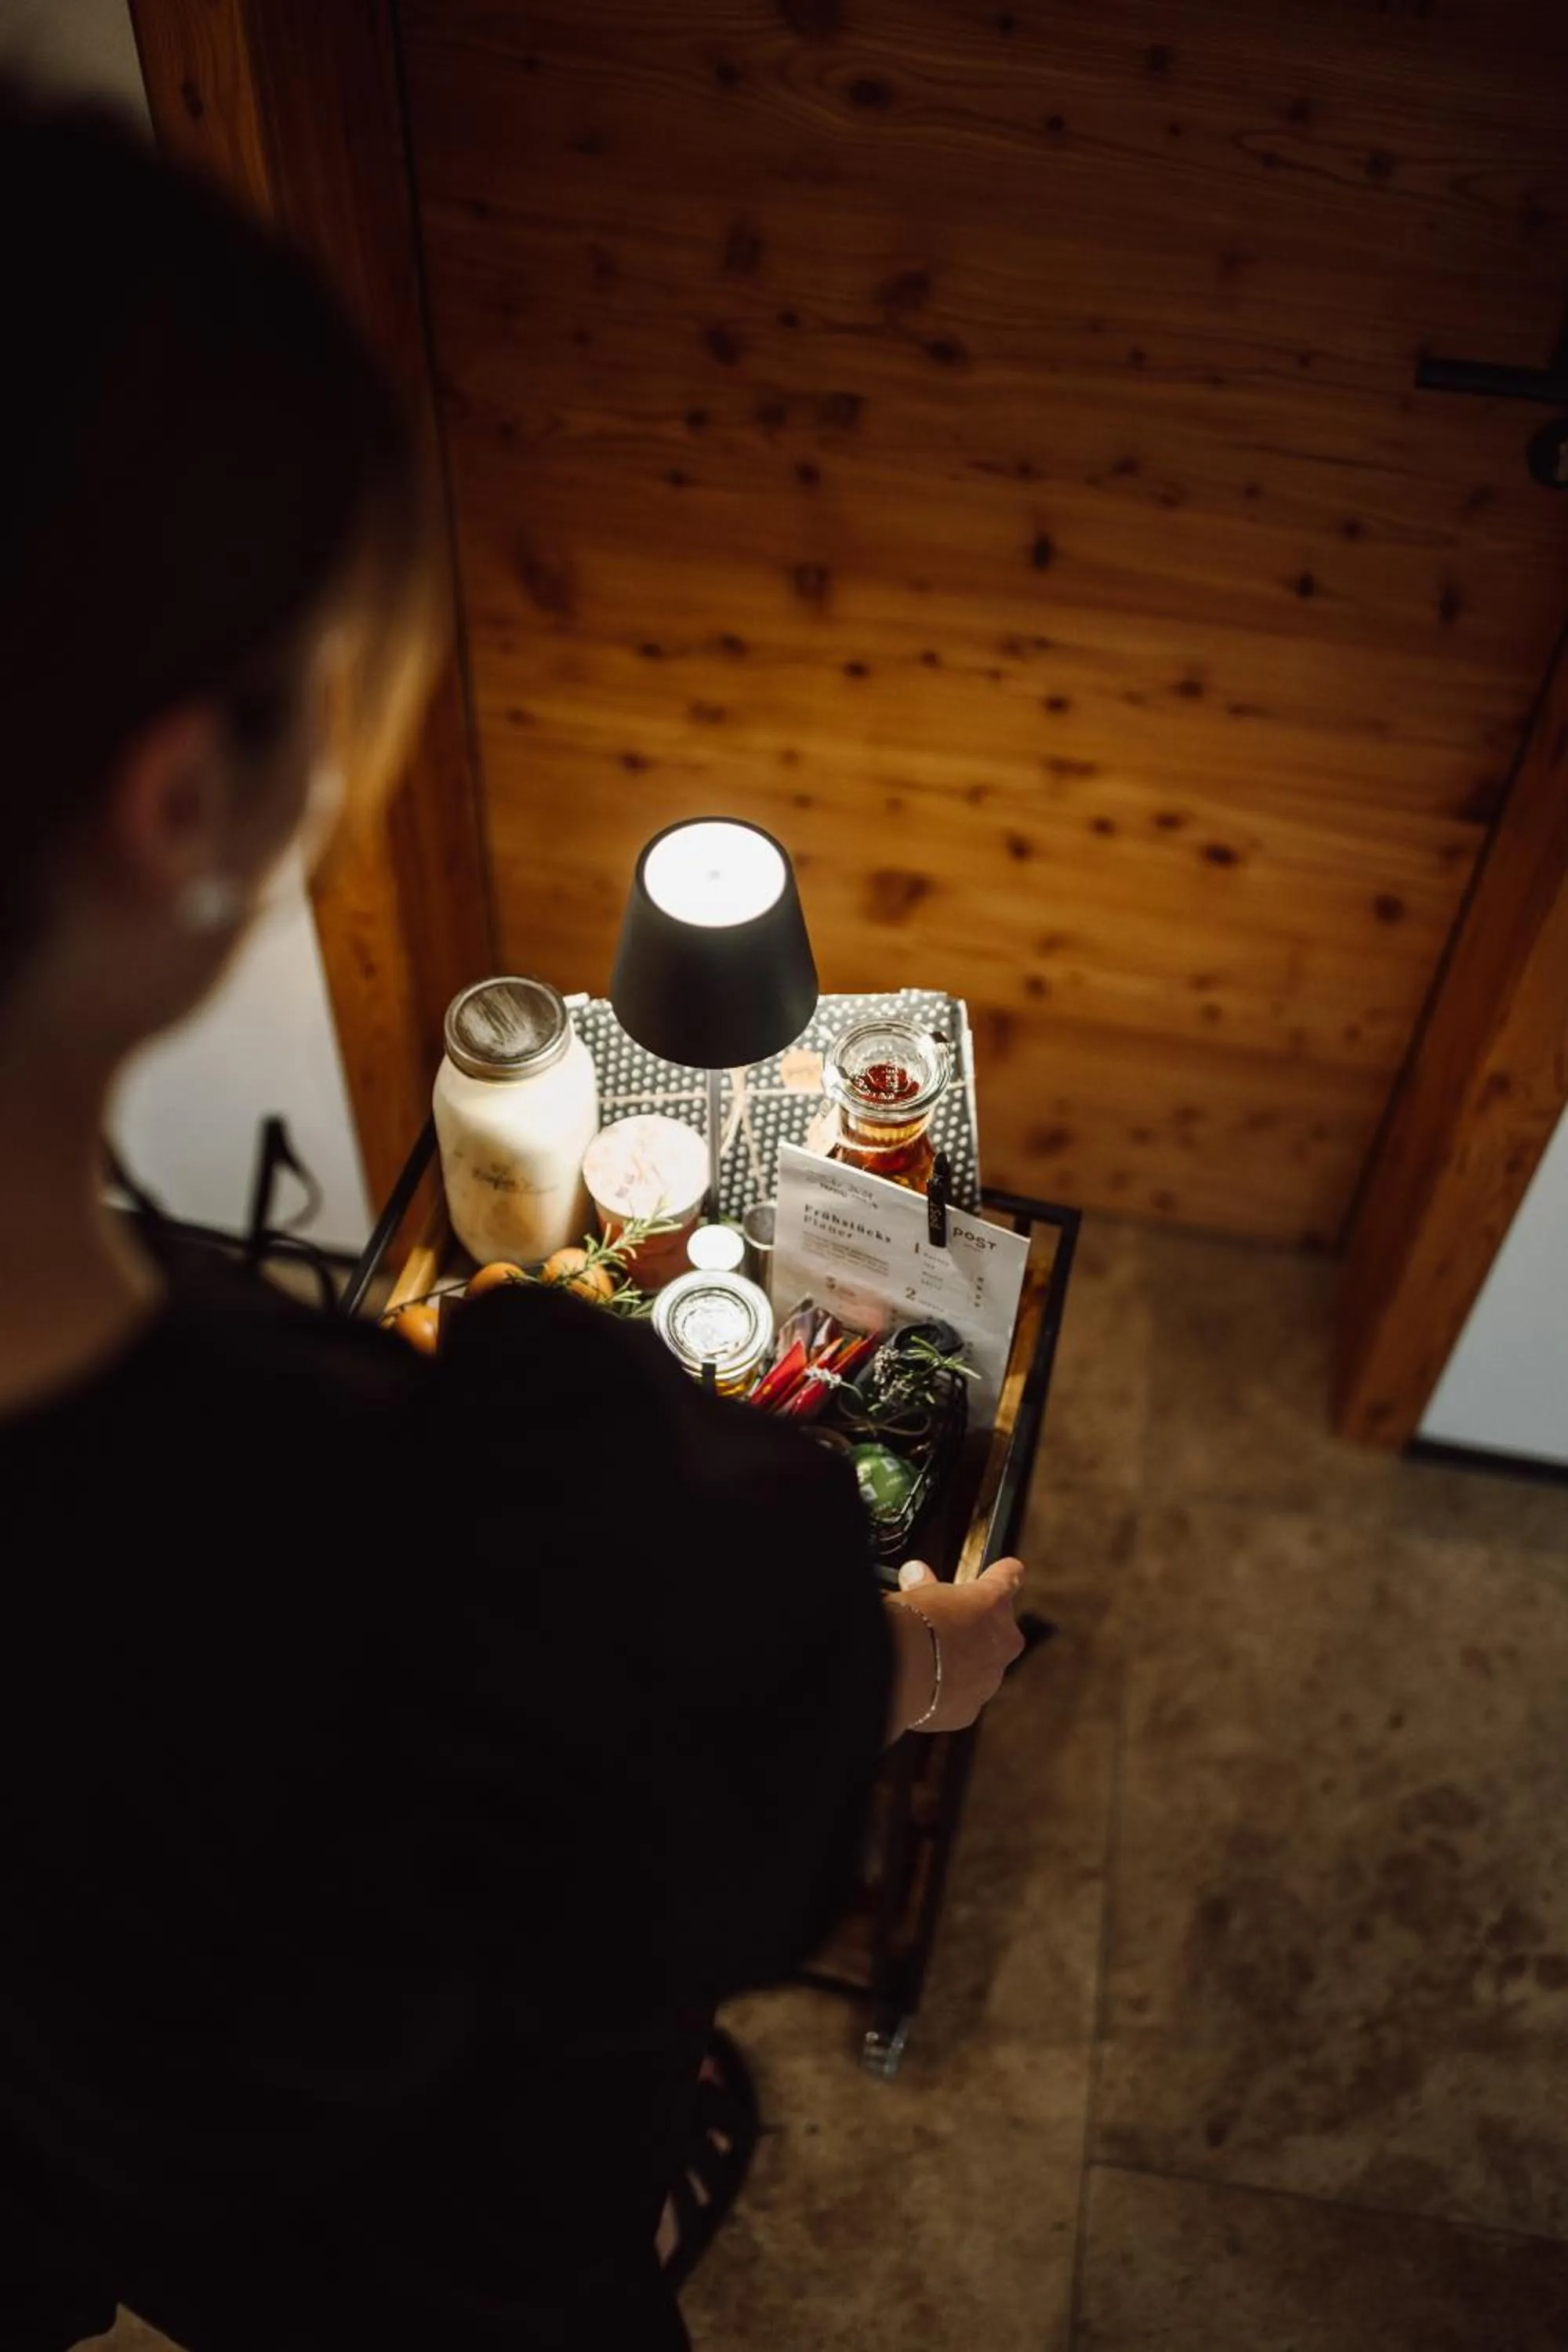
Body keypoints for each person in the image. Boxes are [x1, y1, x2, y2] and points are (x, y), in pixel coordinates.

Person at [0, 87, 1028, 2352]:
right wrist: (938, 1657)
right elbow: (770, 1778)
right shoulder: (467, 1535)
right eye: (332, 728)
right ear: (183, 792)